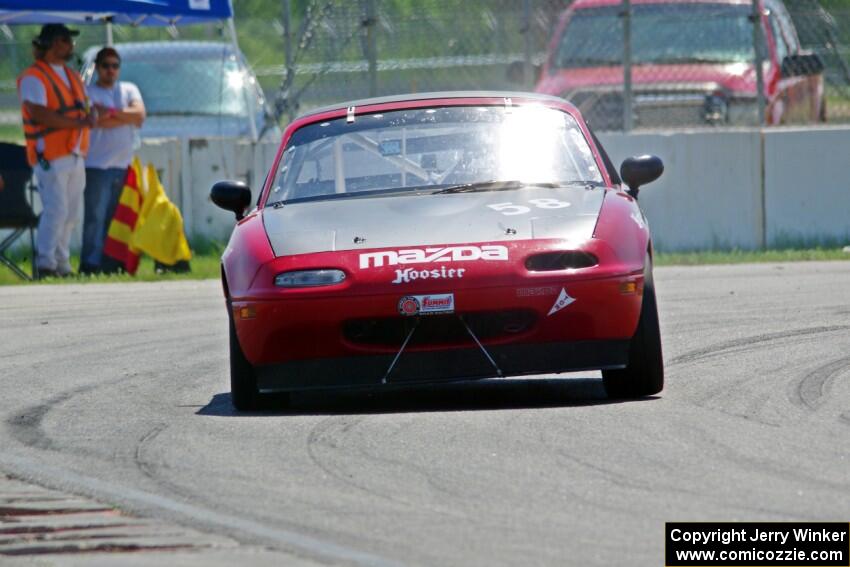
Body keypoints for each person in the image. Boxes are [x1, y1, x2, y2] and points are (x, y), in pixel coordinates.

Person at [17, 24, 94, 279]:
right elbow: (39, 112)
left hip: (75, 153)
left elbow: (84, 107)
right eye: (65, 40)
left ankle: (62, 264)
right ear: (51, 43)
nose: (71, 45)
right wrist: (78, 122)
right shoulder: (33, 76)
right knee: (56, 210)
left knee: (71, 214)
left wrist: (90, 115)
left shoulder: (72, 76)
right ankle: (46, 264)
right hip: (50, 154)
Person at [81, 47, 146, 274]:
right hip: (96, 165)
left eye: (114, 65)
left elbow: (139, 115)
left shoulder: (129, 89)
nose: (110, 70)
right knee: (95, 218)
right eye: (105, 66)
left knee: (117, 217)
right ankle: (90, 264)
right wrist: (122, 116)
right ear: (97, 68)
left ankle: (112, 263)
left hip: (123, 165)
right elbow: (94, 121)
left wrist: (109, 112)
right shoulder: (87, 91)